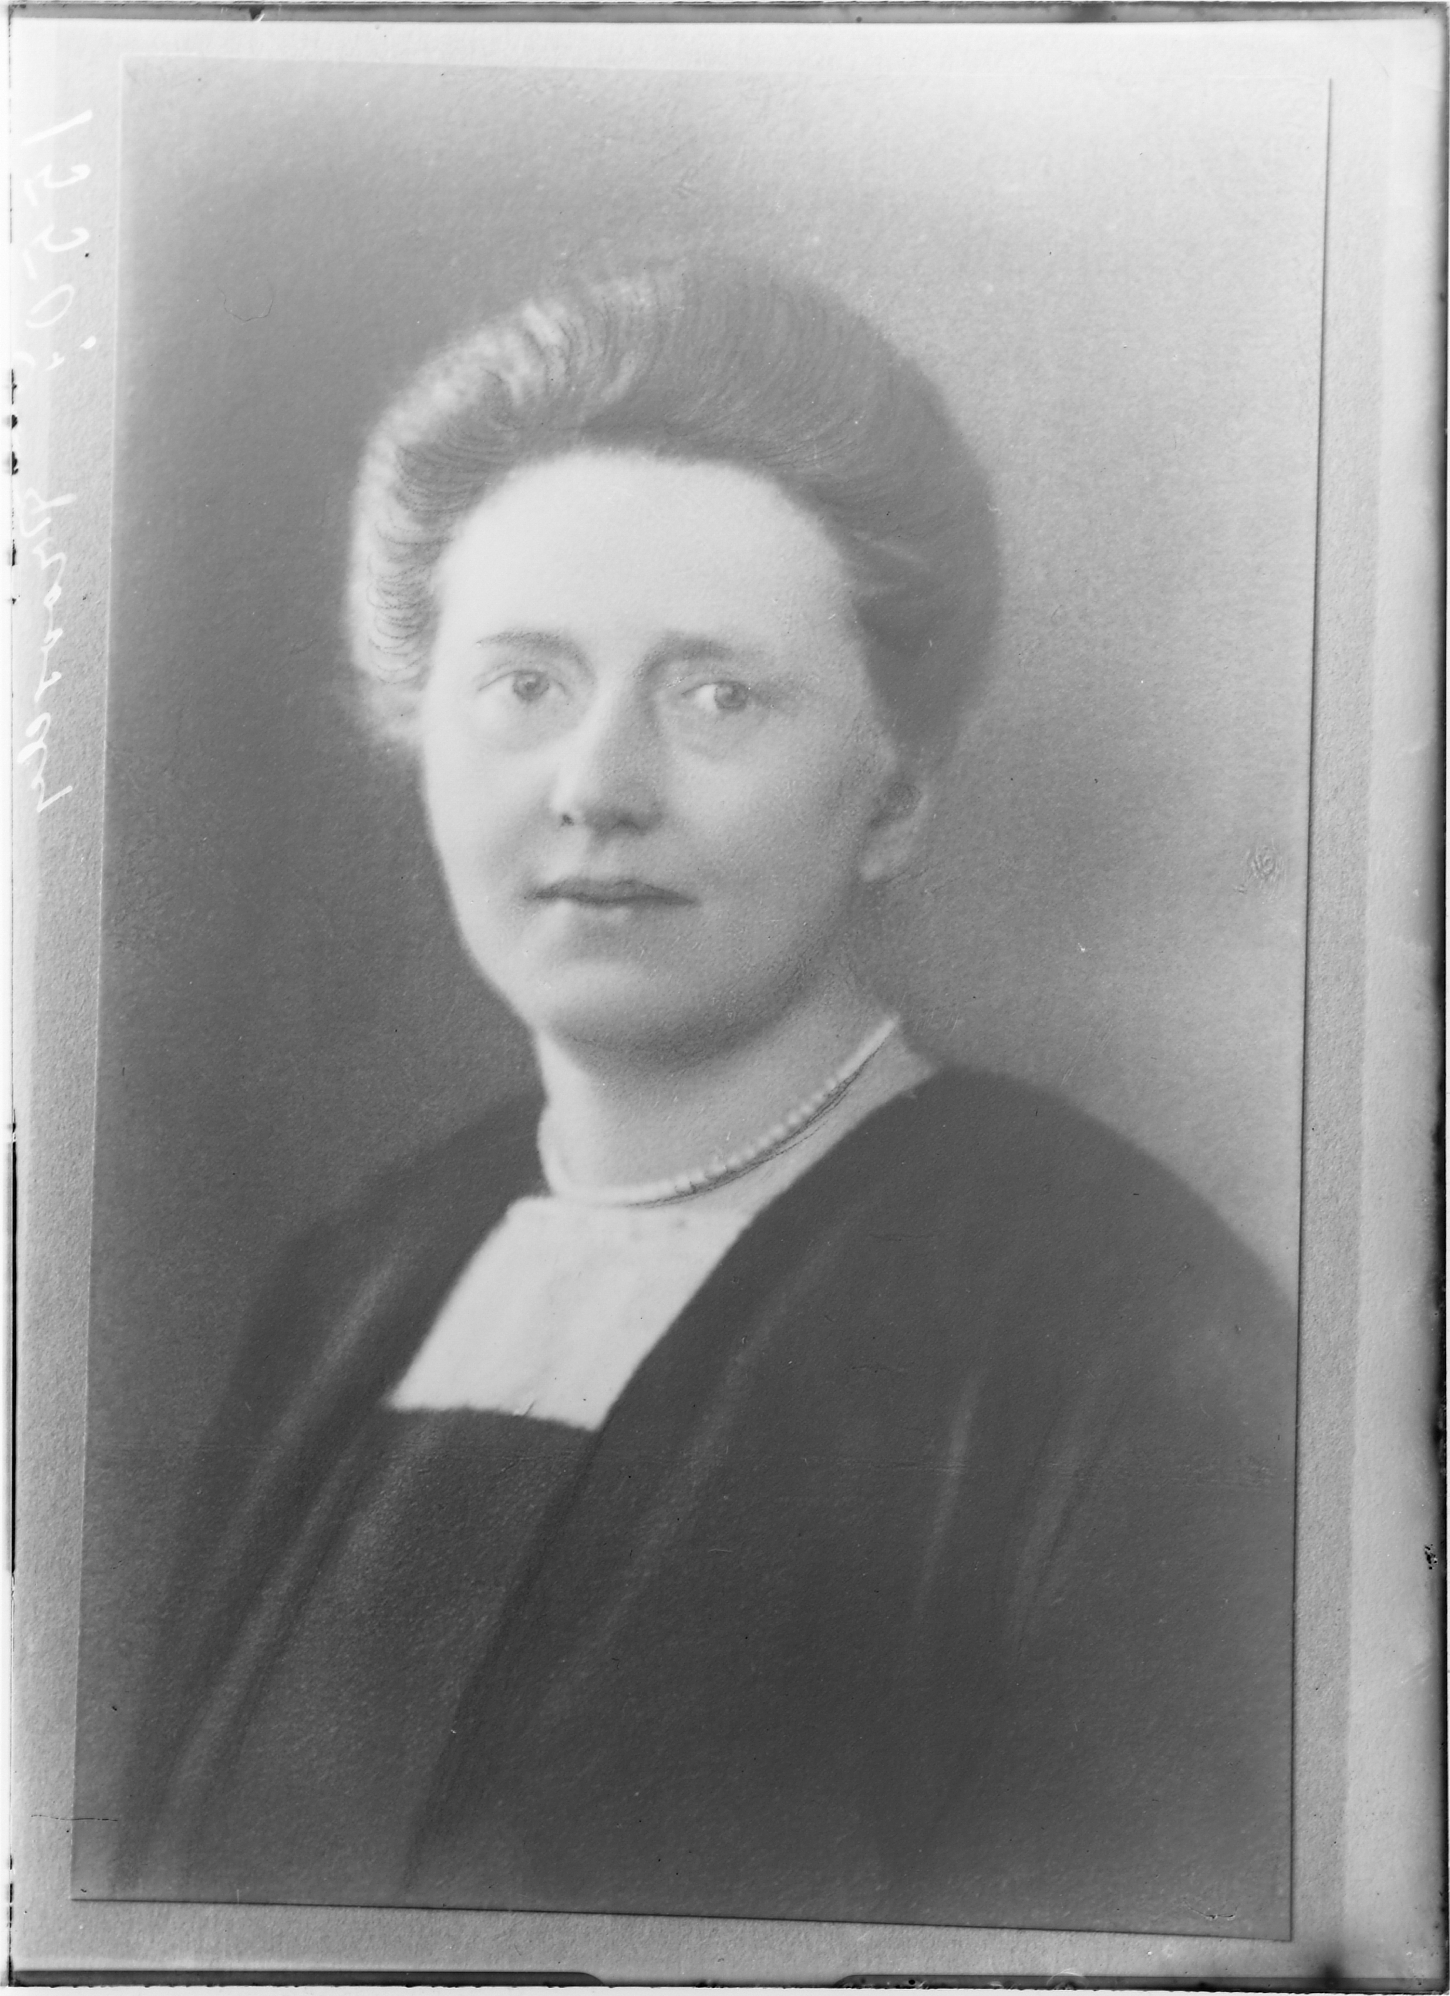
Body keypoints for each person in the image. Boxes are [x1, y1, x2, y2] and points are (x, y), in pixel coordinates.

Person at [115, 259, 1295, 1935]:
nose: (598, 787)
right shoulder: (353, 1285)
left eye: (716, 695)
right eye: (524, 685)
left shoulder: (1123, 1333)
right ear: (419, 730)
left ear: (894, 794)